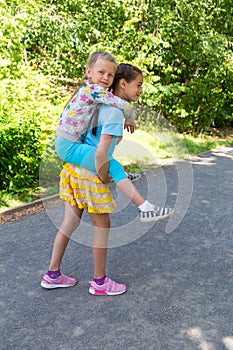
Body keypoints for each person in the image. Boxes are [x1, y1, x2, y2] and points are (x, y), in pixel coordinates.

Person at [41, 63, 173, 295]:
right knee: (102, 226)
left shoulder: (102, 103)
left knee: (69, 224)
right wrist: (104, 176)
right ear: (123, 84)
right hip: (91, 173)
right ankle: (100, 282)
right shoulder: (113, 111)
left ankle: (52, 274)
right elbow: (102, 155)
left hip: (75, 169)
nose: (141, 90)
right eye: (138, 85)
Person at [55, 52, 173, 222]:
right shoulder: (93, 90)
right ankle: (145, 207)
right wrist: (130, 117)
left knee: (69, 225)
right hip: (68, 145)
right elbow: (121, 103)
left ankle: (123, 177)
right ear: (89, 72)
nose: (106, 77)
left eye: (110, 74)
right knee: (112, 165)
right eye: (101, 72)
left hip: (68, 144)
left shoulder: (91, 92)